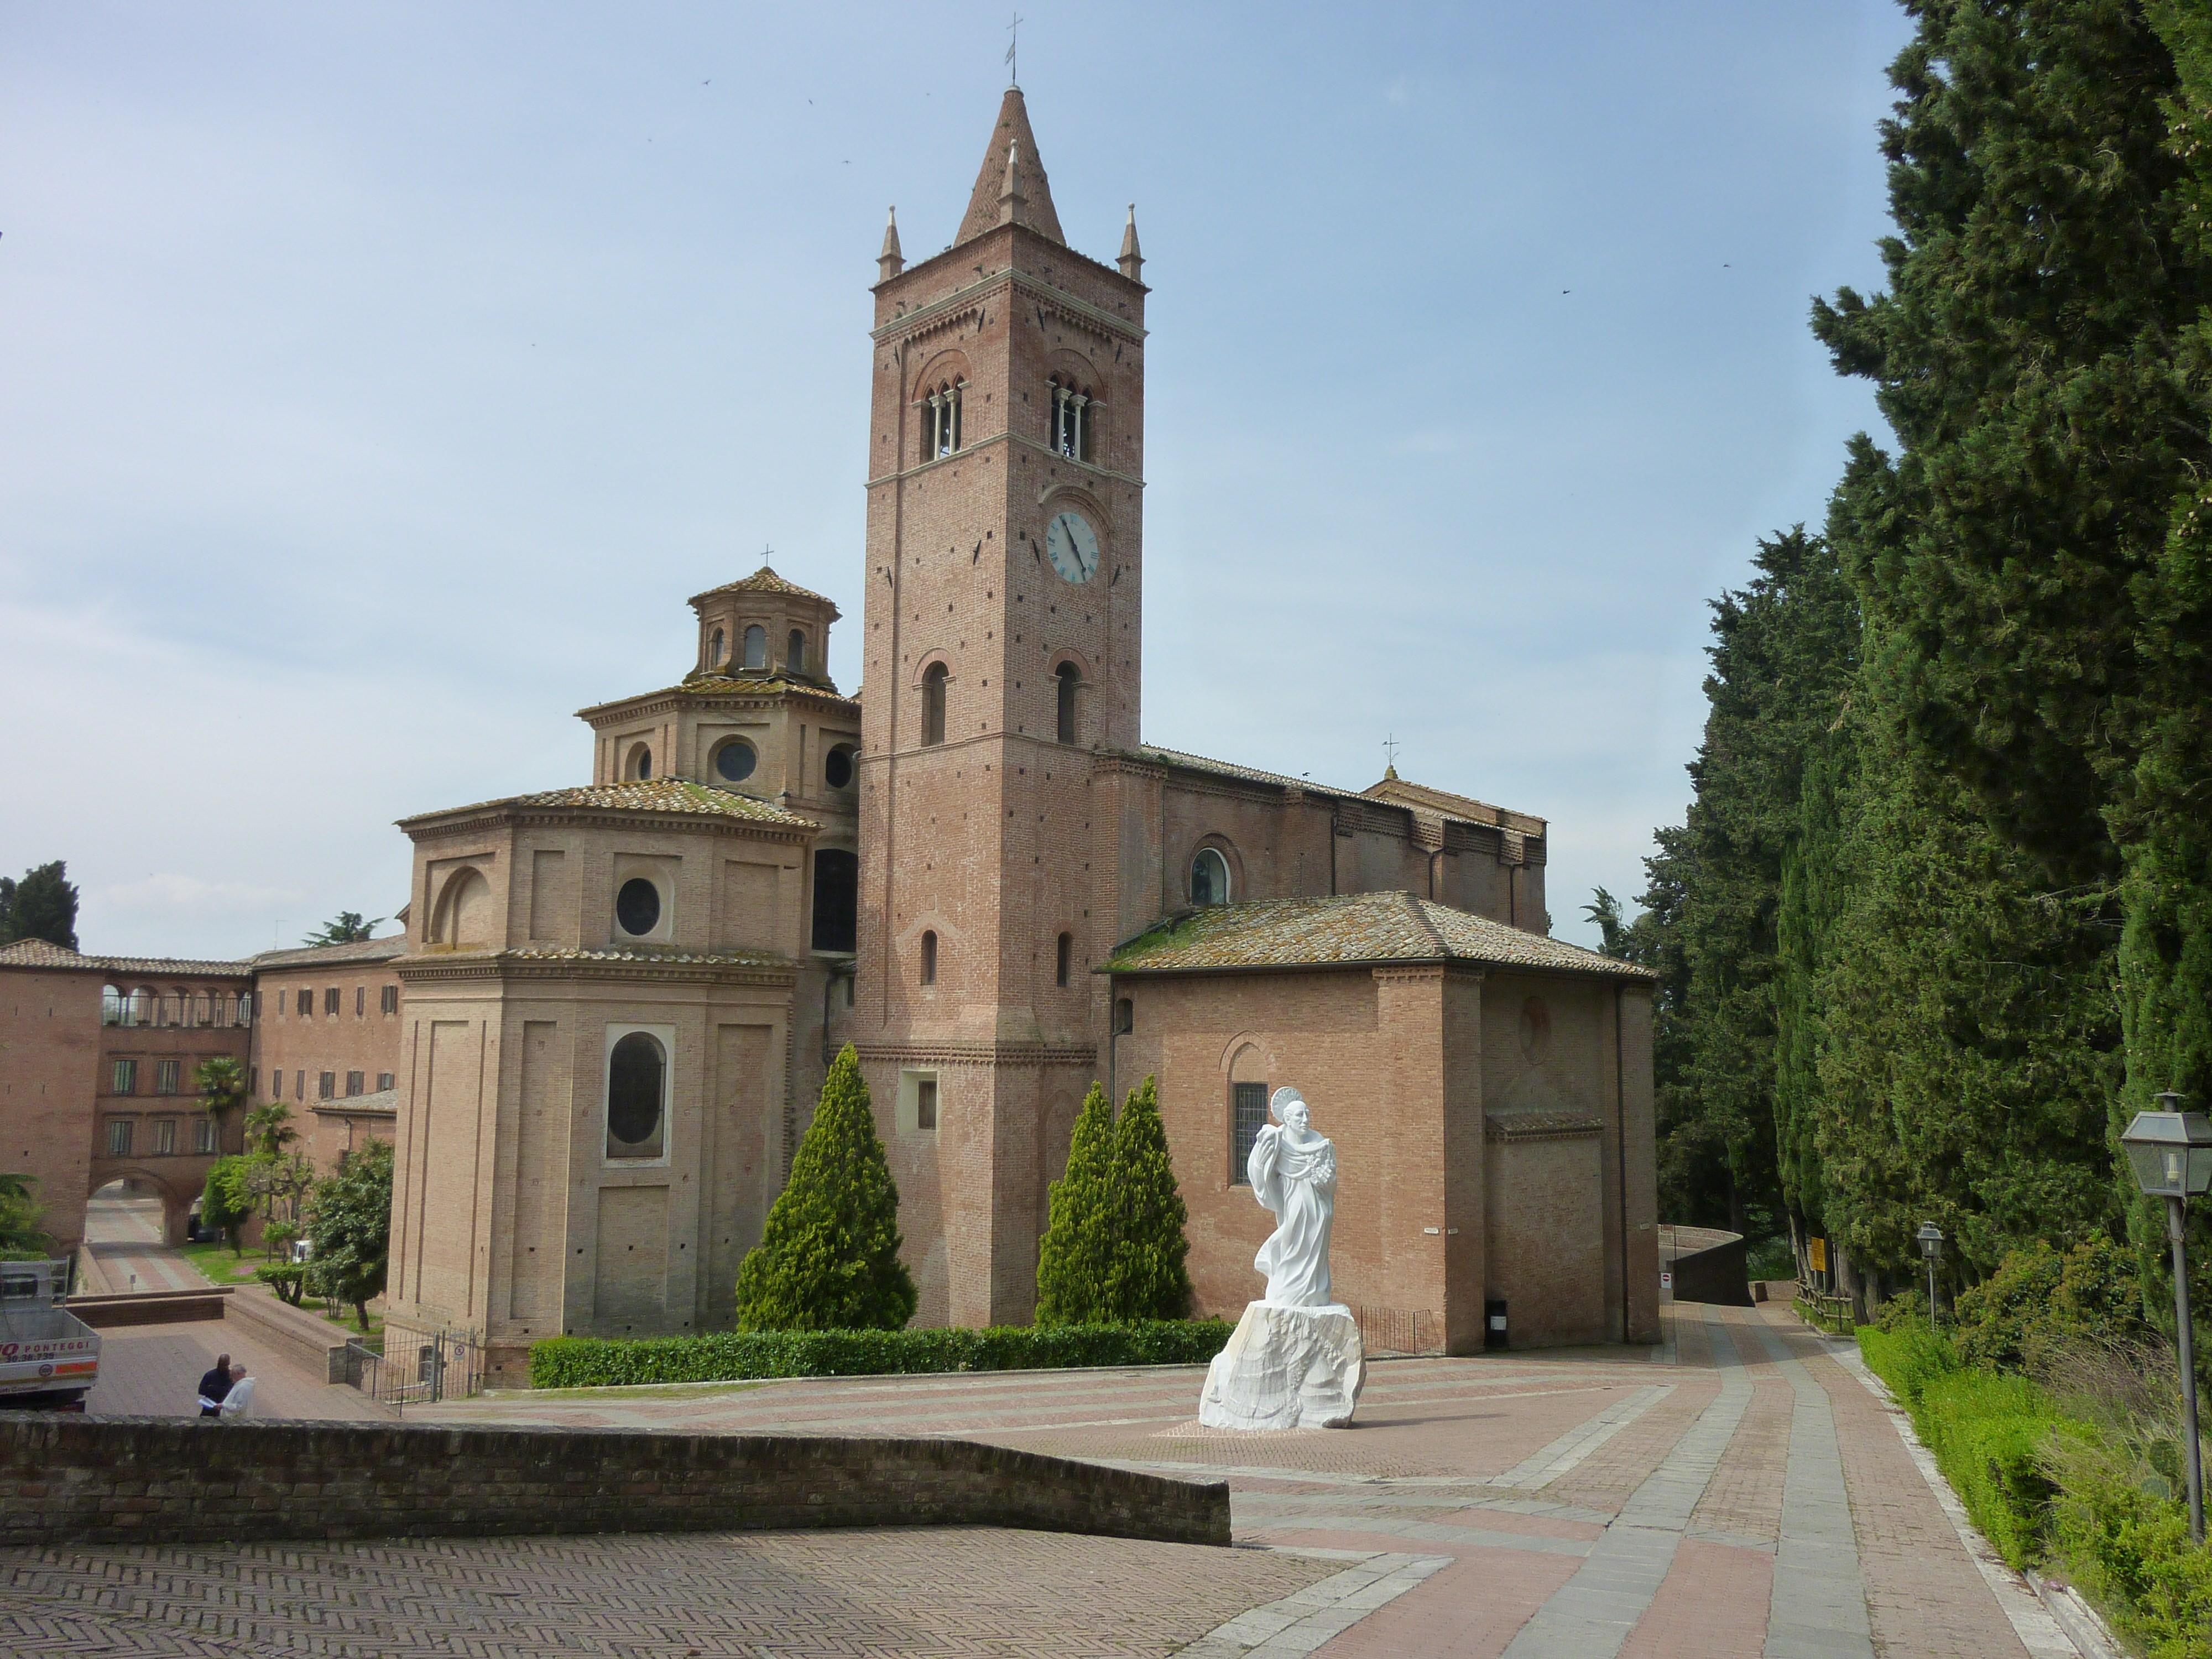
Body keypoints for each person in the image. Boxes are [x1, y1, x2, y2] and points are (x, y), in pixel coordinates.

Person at [1246, 1086, 1339, 1307]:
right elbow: (1257, 1170)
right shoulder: (1278, 1140)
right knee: (1292, 1241)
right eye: (1300, 1115)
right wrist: (1262, 1152)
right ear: (1287, 1119)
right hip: (1293, 1202)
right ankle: (1290, 1288)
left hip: (1320, 1208)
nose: (1305, 1119)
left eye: (1307, 1114)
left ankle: (1314, 1289)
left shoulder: (1321, 1143)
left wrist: (1326, 1181)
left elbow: (1331, 1180)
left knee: (1315, 1247)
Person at [196, 1354, 233, 1418]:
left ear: (228, 1364)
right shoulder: (210, 1375)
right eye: (221, 1364)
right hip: (210, 1407)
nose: (223, 1367)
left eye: (225, 1365)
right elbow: (201, 1390)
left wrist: (213, 1389)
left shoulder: (232, 1377)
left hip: (225, 1408)